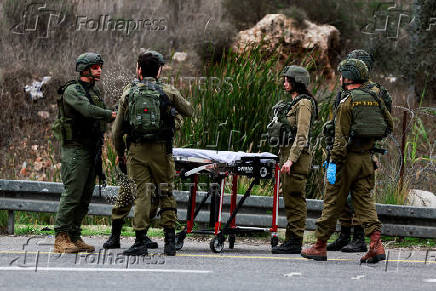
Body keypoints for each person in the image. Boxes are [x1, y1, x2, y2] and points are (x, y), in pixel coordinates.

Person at [301, 59, 392, 263]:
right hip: (367, 159)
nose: (340, 78)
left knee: (332, 201)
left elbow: (340, 138)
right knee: (365, 203)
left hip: (345, 161)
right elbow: (389, 125)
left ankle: (319, 246)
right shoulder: (375, 97)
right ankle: (376, 245)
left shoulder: (347, 101)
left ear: (348, 77)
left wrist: (334, 163)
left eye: (342, 74)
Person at [108, 50, 193, 256]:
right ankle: (170, 242)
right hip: (162, 151)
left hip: (136, 152)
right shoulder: (167, 90)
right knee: (165, 192)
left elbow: (116, 131)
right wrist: (173, 118)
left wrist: (120, 153)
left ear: (139, 69)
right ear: (159, 71)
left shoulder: (128, 92)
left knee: (142, 194)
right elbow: (189, 111)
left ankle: (139, 242)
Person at [325, 49, 392, 253]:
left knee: (357, 197)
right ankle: (344, 235)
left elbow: (380, 124)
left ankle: (357, 238)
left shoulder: (375, 93)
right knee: (344, 198)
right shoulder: (346, 91)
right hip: (341, 149)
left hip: (360, 152)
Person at [54, 52, 116, 253]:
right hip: (75, 150)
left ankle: (74, 235)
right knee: (73, 193)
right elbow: (87, 110)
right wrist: (110, 114)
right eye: (96, 67)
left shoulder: (94, 92)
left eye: (99, 67)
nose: (100, 70)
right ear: (85, 69)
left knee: (85, 195)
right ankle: (60, 237)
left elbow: (102, 112)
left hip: (91, 149)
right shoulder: (72, 90)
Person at [269, 66, 317, 254]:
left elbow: (302, 135)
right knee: (290, 199)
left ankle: (295, 241)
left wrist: (291, 160)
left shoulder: (304, 104)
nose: (285, 83)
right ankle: (291, 239)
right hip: (288, 157)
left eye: (288, 80)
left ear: (298, 82)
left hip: (296, 159)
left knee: (296, 200)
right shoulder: (294, 102)